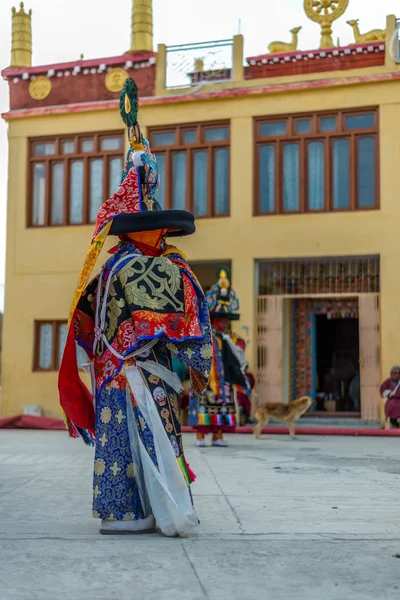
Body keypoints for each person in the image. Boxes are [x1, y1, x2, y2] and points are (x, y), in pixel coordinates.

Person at [58, 78, 212, 537]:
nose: (164, 239)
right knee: (150, 437)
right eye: (161, 233)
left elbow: (84, 328)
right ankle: (154, 508)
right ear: (153, 230)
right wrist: (195, 365)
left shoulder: (107, 270)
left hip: (111, 373)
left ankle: (122, 513)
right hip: (148, 372)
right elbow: (193, 327)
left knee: (119, 443)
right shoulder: (165, 270)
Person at [189, 269, 249, 447]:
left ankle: (218, 436)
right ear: (214, 320)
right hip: (206, 378)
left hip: (224, 381)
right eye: (221, 320)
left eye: (226, 321)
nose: (224, 323)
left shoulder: (228, 337)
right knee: (204, 407)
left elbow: (239, 352)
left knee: (223, 407)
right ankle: (200, 436)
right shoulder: (204, 336)